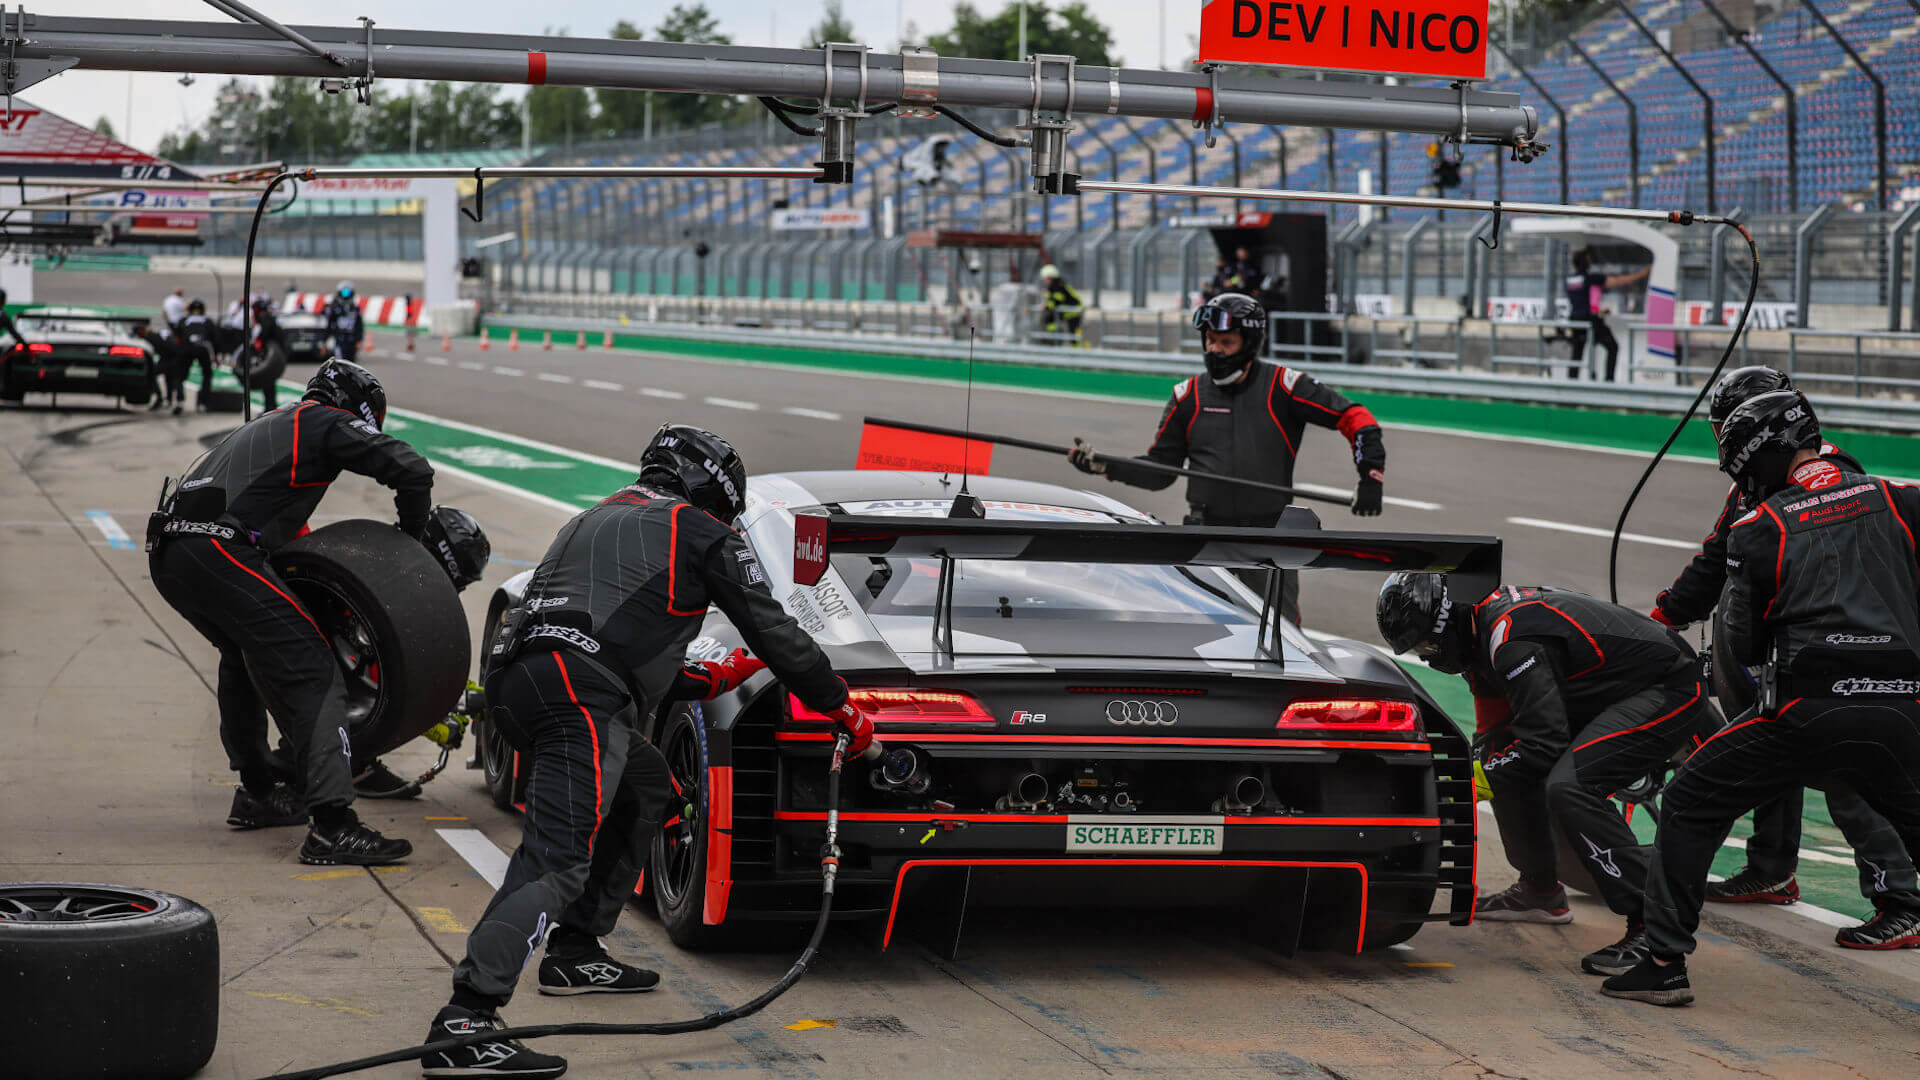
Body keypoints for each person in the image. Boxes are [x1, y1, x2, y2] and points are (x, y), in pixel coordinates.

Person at [422, 425, 876, 1079]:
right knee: (554, 862)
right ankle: (465, 1021)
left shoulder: (592, 517)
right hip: (579, 698)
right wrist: (842, 706)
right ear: (711, 489)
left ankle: (576, 948)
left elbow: (602, 632)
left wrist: (709, 679)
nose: (726, 520)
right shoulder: (700, 530)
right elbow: (775, 630)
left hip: (520, 684)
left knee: (646, 782)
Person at [1605, 391, 1920, 1005]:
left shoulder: (1759, 528)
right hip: (1904, 706)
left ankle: (1664, 962)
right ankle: (1811, 879)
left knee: (1691, 796)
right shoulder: (1901, 495)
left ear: (1763, 456)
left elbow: (1746, 646)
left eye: (1742, 467)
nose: (1743, 481)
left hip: (1806, 710)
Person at [147, 358, 430, 864]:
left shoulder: (268, 427)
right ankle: (332, 826)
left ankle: (258, 791)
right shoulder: (322, 420)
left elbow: (283, 538)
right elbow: (411, 468)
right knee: (313, 670)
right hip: (219, 548)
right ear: (359, 411)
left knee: (242, 656)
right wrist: (414, 541)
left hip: (170, 552)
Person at [1377, 574, 1715, 977]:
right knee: (1497, 758)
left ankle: (1652, 928)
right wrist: (1476, 775)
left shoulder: (1512, 640)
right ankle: (1540, 890)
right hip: (1611, 688)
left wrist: (1465, 787)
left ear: (1446, 625)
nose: (1428, 657)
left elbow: (1544, 742)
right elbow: (1492, 738)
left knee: (1571, 785)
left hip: (1668, 687)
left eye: (1426, 645)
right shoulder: (1477, 636)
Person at [1066, 292, 1386, 625]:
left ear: (1250, 343)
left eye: (1226, 342)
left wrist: (1370, 476)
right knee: (1197, 634)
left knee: (1285, 640)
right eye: (1210, 340)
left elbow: (1355, 416)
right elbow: (1160, 471)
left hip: (1271, 540)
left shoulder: (1285, 386)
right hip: (1205, 539)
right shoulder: (1186, 395)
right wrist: (1106, 465)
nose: (1214, 350)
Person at [1564, 248, 1647, 382]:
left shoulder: (1570, 280)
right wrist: (1641, 274)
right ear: (1586, 262)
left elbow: (1580, 301)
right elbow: (1618, 281)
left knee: (1577, 351)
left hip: (1575, 319)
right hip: (1589, 320)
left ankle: (1571, 380)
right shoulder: (1590, 278)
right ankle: (1608, 380)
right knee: (1612, 346)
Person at [177, 298, 220, 408]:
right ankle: (202, 402)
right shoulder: (207, 321)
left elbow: (177, 336)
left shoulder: (184, 320)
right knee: (207, 374)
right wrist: (216, 355)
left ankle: (180, 400)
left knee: (180, 375)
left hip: (187, 348)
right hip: (202, 349)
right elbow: (215, 339)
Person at [1039, 264, 1084, 345]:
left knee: (1074, 333)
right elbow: (1051, 300)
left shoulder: (1058, 286)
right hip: (1067, 310)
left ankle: (1077, 351)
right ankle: (1055, 340)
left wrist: (1046, 306)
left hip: (1074, 311)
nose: (1044, 280)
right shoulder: (1054, 286)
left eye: (1045, 278)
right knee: (1050, 320)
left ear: (1050, 277)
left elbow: (1057, 301)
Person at [324, 281, 365, 362]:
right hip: (339, 339)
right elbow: (329, 325)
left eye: (348, 293)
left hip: (351, 340)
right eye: (344, 293)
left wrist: (359, 340)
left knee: (351, 362)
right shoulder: (335, 309)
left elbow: (359, 326)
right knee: (339, 361)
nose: (346, 296)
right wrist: (325, 341)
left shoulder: (355, 310)